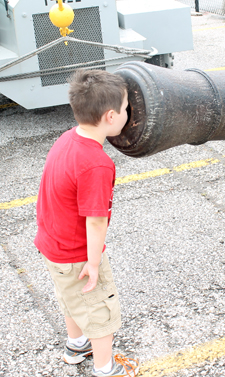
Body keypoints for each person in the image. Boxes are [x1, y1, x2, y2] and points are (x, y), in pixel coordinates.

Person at [34, 69, 138, 377]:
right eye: (125, 108)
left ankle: (76, 345)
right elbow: (95, 222)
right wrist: (93, 264)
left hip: (53, 246)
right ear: (110, 117)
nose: (128, 113)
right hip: (77, 253)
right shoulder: (96, 164)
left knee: (73, 298)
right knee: (99, 310)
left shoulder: (69, 138)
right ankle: (106, 369)